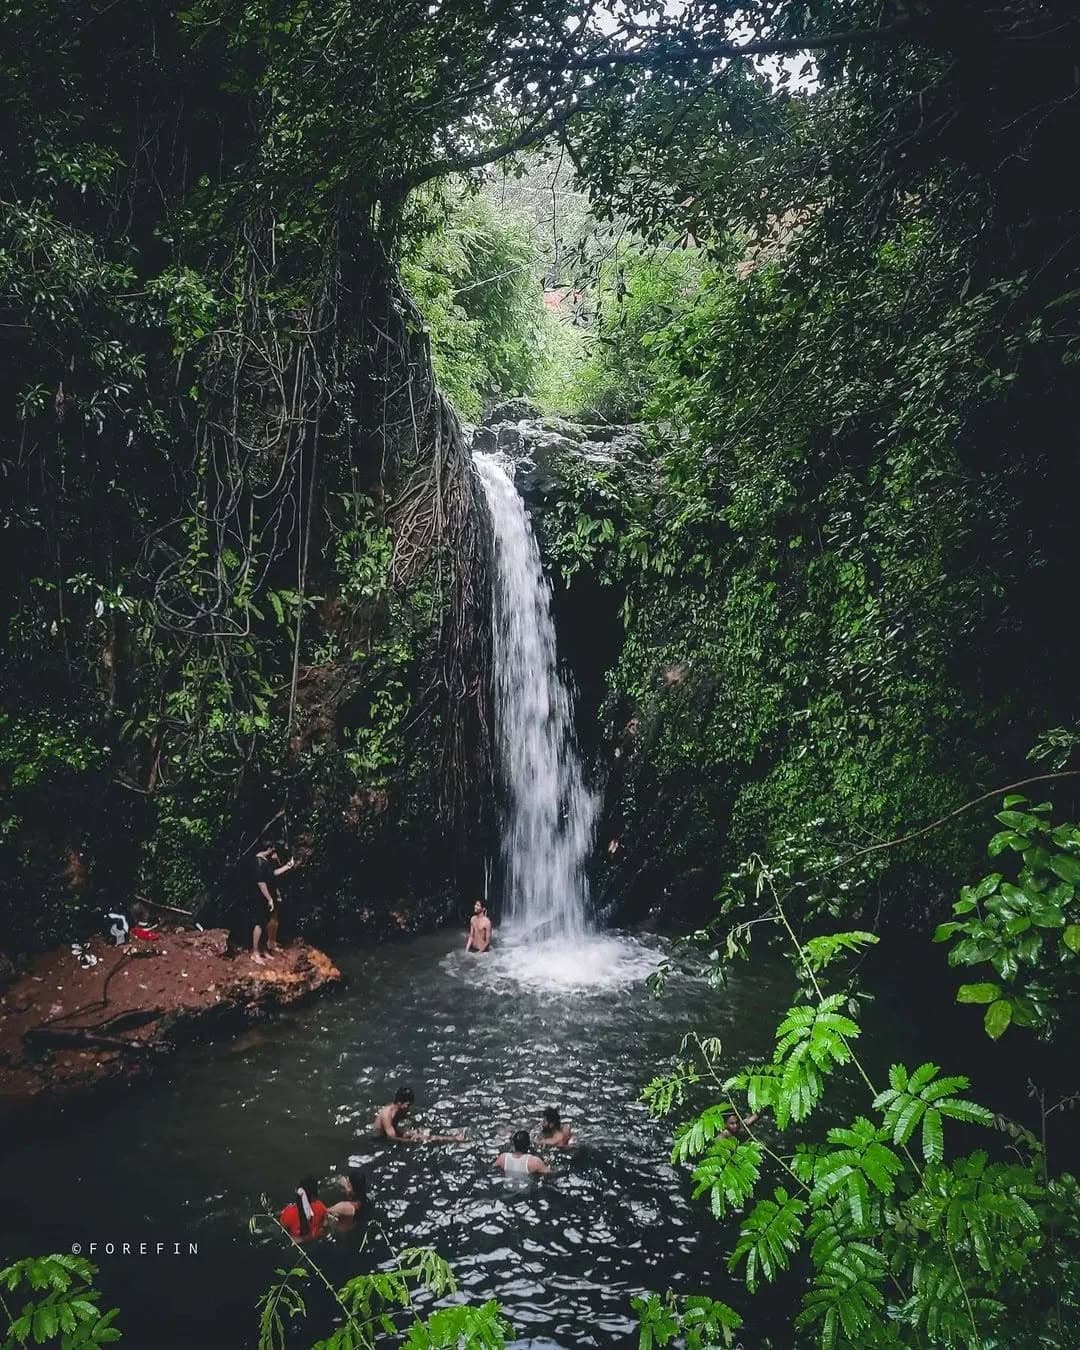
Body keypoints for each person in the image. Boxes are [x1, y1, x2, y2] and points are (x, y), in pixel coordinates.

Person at [251, 840, 298, 964]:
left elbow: (273, 874)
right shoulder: (258, 862)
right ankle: (255, 953)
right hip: (261, 897)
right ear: (268, 848)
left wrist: (287, 866)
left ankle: (264, 950)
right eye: (272, 849)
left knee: (267, 922)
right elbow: (261, 883)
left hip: (269, 896)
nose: (273, 852)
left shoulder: (265, 861)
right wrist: (269, 899)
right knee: (259, 923)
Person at [373, 1084, 464, 1143]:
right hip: (381, 1140)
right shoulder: (387, 1114)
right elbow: (391, 1137)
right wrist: (411, 1141)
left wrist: (414, 1131)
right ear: (399, 1103)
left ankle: (454, 1138)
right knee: (420, 1138)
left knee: (422, 1134)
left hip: (393, 1134)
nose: (408, 1109)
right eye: (407, 1105)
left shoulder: (399, 1110)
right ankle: (454, 1139)